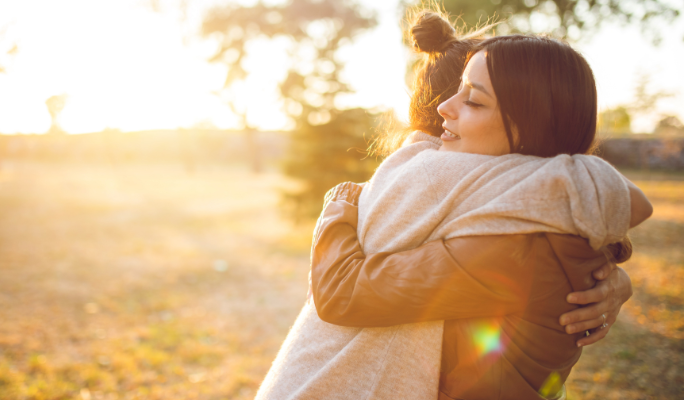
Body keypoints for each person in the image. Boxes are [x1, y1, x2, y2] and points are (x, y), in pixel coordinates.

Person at [257, 11, 645, 400]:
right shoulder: (519, 212)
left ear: (534, 125)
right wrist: (615, 270)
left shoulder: (520, 246)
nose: (446, 107)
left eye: (474, 101)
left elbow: (343, 292)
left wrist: (341, 200)